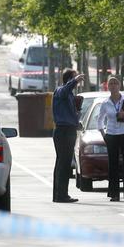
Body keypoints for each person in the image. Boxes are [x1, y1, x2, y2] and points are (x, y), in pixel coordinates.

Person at [97, 76, 124, 202]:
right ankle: (114, 194)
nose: (113, 85)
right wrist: (103, 133)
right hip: (111, 134)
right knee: (113, 164)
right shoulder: (105, 103)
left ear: (119, 85)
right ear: (108, 87)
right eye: (111, 83)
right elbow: (100, 119)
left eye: (116, 83)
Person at [52, 68, 85, 203]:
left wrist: (76, 117)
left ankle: (60, 194)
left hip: (69, 130)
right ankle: (61, 195)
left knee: (63, 164)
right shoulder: (61, 90)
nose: (77, 81)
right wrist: (75, 80)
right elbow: (64, 90)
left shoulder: (69, 95)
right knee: (63, 163)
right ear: (69, 80)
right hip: (63, 131)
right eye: (74, 78)